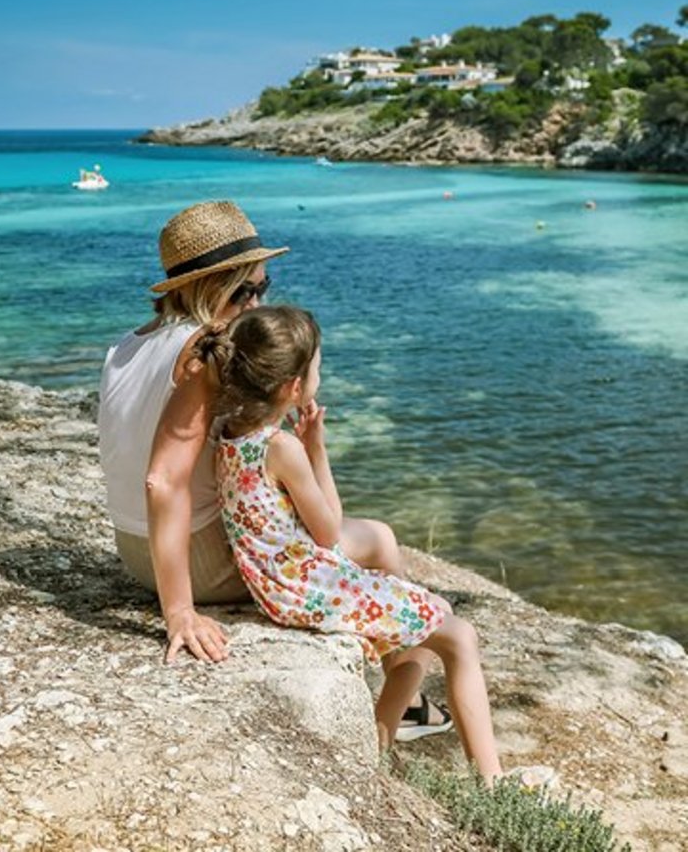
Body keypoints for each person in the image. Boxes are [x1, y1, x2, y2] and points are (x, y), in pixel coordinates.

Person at [99, 199, 445, 744]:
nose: (258, 303)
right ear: (210, 287)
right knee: (377, 539)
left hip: (135, 552)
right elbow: (161, 479)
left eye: (264, 287)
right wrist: (180, 612)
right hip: (194, 561)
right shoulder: (204, 350)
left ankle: (404, 694)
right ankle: (405, 698)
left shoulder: (126, 345)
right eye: (246, 292)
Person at [196, 305, 556, 785]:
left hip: (280, 581)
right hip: (308, 586)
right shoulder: (281, 448)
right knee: (459, 636)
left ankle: (381, 740)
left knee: (426, 627)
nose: (320, 375)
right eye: (318, 367)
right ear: (293, 389)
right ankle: (491, 784)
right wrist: (317, 448)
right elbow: (328, 530)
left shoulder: (227, 430)